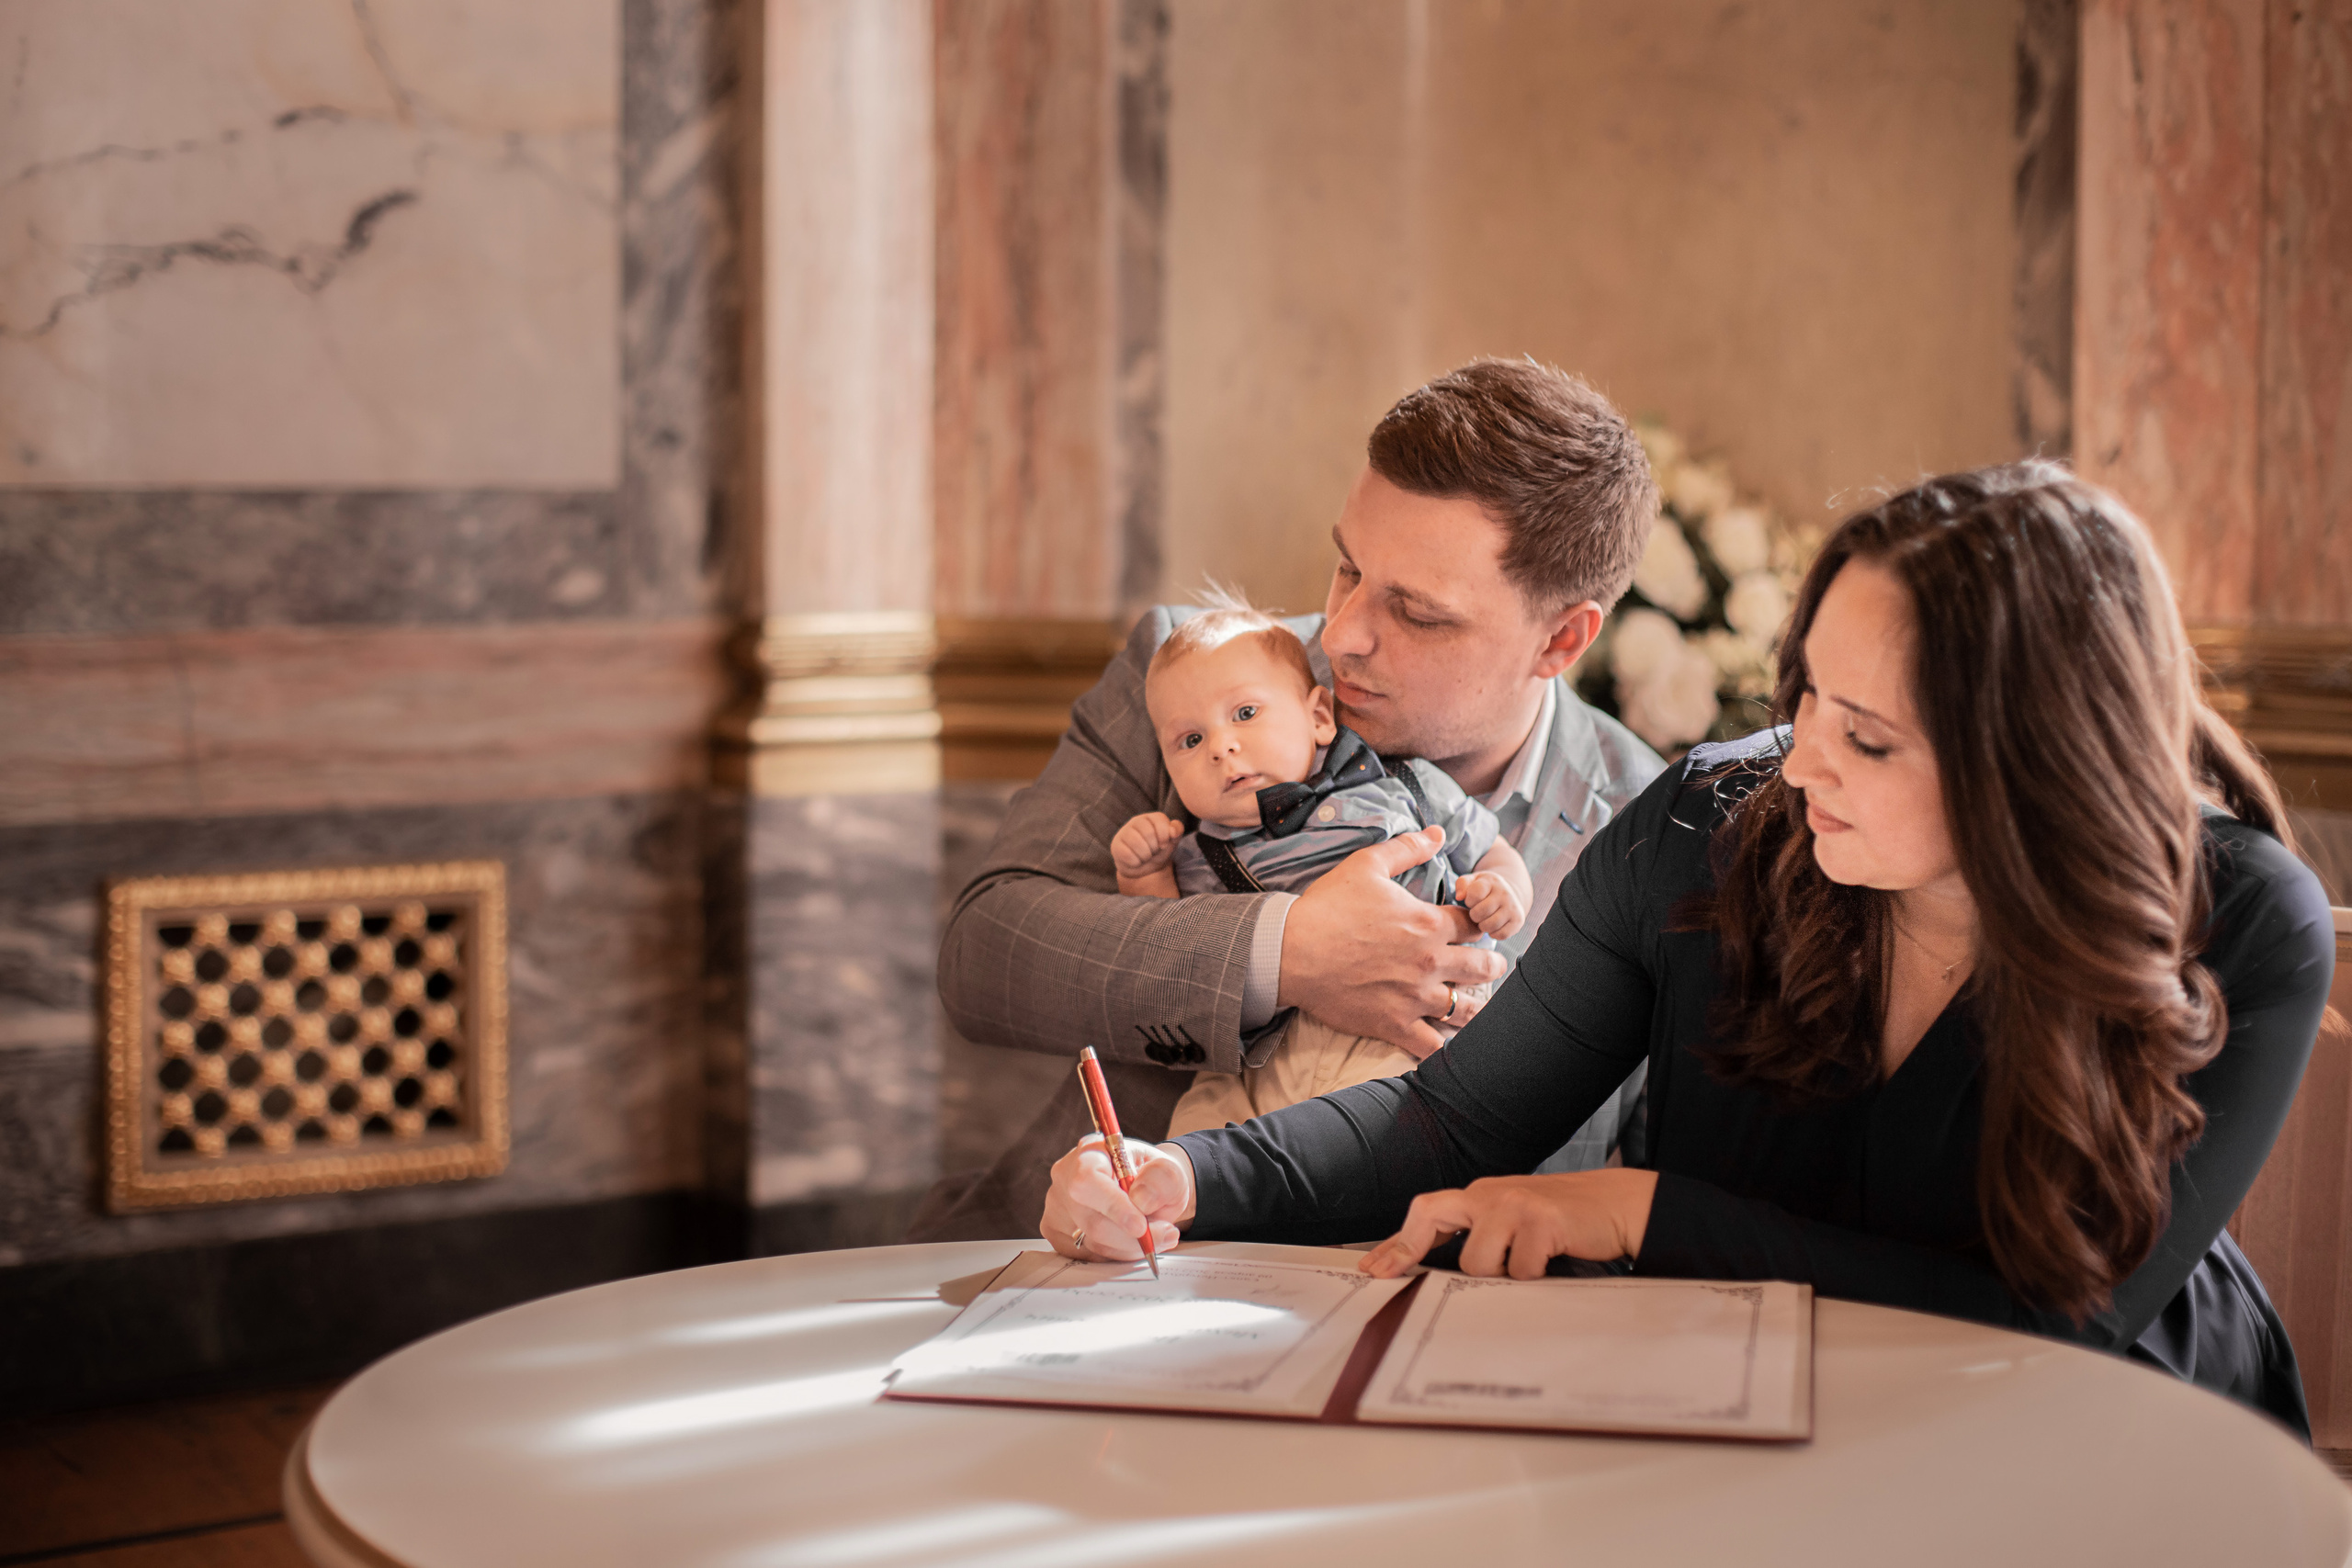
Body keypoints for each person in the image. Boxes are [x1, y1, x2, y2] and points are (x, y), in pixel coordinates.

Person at [1043, 461, 2337, 1432]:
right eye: (1809, 697)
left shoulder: (2238, 918)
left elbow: (2060, 1320)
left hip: (2113, 1441)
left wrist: (1647, 1212)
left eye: (1870, 737)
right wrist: (1187, 1174)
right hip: (1755, 1425)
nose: (1805, 761)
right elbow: (1450, 1121)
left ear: (2039, 765)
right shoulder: (1707, 826)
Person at [910, 358, 1667, 1243]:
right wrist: (1284, 952)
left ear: (1561, 638)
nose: (1339, 636)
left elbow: (1656, 1179)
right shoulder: (1196, 680)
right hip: (1098, 1269)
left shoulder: (1652, 829)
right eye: (1347, 569)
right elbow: (988, 952)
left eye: (1416, 613)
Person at [1111, 592, 1532, 1134]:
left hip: (1407, 1027)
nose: (1222, 747)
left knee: (1386, 1133)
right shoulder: (1204, 852)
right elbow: (1170, 952)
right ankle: (1176, 1195)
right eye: (1190, 740)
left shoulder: (1404, 787)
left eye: (1244, 713)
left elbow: (1492, 848)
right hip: (1271, 1055)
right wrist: (1144, 875)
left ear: (1317, 717)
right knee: (1201, 1123)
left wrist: (1502, 891)